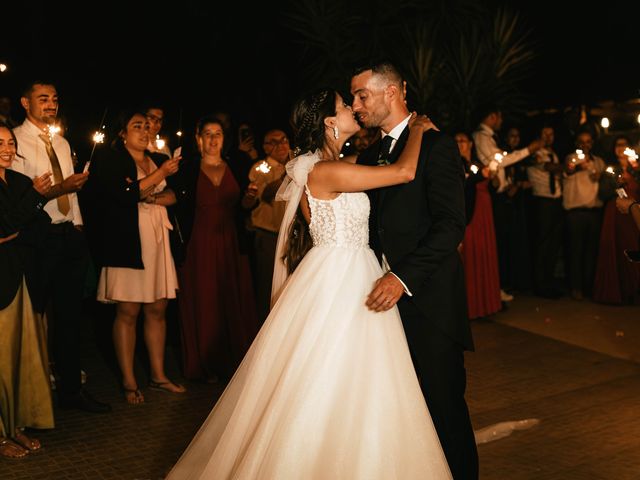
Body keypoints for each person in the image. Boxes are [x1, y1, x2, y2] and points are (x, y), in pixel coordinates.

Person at [166, 90, 450, 479]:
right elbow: (402, 172)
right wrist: (417, 129)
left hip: (352, 270)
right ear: (330, 123)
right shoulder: (321, 171)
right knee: (330, 371)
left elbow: (377, 162)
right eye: (344, 106)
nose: (353, 109)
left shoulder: (333, 163)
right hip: (341, 277)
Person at [351, 60, 478, 479]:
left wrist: (401, 276)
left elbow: (450, 225)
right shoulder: (369, 155)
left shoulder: (438, 145)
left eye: (361, 95)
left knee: (443, 410)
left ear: (392, 91)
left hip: (430, 304)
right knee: (401, 412)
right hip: (382, 310)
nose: (355, 105)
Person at [11, 80, 110, 414]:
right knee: (35, 316)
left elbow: (72, 190)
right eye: (43, 99)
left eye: (54, 99)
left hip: (68, 235)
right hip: (36, 240)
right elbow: (21, 201)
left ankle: (71, 390)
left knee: (70, 318)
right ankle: (33, 395)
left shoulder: (63, 143)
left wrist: (78, 223)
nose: (51, 104)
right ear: (26, 103)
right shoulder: (14, 141)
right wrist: (60, 189)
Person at [86, 110, 185, 404]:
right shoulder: (112, 159)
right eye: (137, 126)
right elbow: (124, 194)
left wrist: (153, 191)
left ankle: (158, 375)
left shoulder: (155, 158)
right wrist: (161, 175)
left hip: (156, 239)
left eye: (147, 126)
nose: (145, 131)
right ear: (122, 133)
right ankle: (129, 381)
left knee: (157, 308)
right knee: (128, 311)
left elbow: (173, 196)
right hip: (127, 242)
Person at [176, 115, 259, 383]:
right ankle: (205, 363)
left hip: (231, 243)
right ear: (199, 139)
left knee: (231, 298)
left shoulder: (237, 165)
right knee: (204, 299)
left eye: (218, 134)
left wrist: (249, 199)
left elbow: (245, 207)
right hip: (198, 243)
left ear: (225, 139)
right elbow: (178, 204)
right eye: (208, 134)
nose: (213, 139)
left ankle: (235, 362)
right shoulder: (187, 168)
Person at [0, 122, 53, 458]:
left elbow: (38, 224)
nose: (6, 147)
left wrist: (13, 229)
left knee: (17, 356)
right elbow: (7, 224)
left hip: (18, 274)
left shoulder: (19, 181)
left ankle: (14, 423)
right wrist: (27, 207)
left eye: (9, 142)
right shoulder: (27, 188)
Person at [243, 128, 291, 323]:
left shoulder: (296, 166)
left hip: (291, 235)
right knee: (268, 285)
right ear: (265, 147)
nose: (281, 146)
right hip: (268, 235)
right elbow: (267, 195)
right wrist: (286, 175)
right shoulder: (260, 168)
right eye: (274, 142)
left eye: (284, 140)